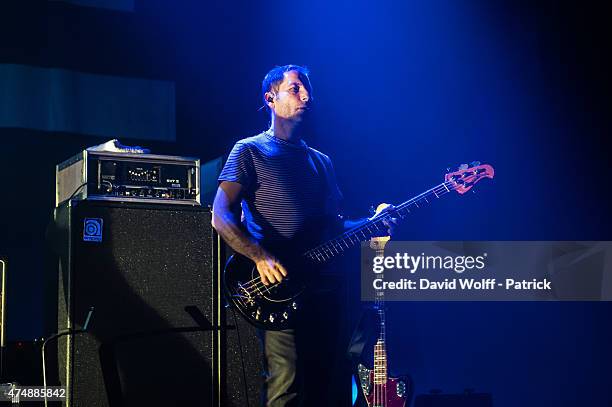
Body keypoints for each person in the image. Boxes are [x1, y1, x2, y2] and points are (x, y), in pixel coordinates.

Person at [212, 64, 395, 406]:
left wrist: (374, 222)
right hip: (277, 290)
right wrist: (259, 256)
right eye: (296, 89)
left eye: (308, 89)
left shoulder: (321, 162)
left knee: (331, 385)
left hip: (324, 289)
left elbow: (335, 228)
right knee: (286, 385)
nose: (306, 96)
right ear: (271, 98)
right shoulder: (249, 150)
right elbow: (220, 215)